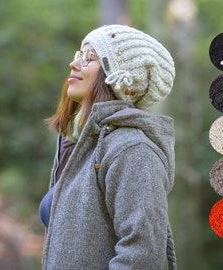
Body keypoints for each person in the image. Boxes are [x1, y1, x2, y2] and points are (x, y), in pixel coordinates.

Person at [39, 24, 177, 270]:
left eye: (89, 58)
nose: (74, 64)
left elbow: (142, 255)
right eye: (78, 56)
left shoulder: (132, 149)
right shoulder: (81, 145)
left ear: (118, 77)